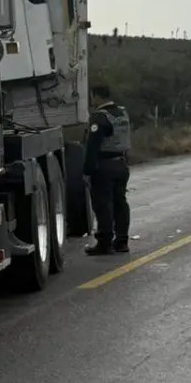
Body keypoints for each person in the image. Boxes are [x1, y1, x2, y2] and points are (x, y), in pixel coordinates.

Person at [83, 83, 132, 255]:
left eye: (92, 96)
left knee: (103, 204)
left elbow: (92, 146)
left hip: (104, 165)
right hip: (122, 163)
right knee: (120, 203)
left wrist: (87, 170)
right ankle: (122, 240)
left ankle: (104, 242)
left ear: (96, 96)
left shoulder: (100, 118)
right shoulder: (122, 113)